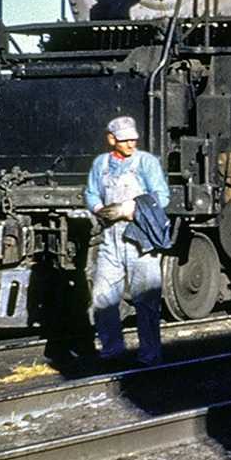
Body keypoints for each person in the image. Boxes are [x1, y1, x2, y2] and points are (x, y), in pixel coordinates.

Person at [84, 115, 171, 367]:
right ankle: (112, 350)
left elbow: (161, 197)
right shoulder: (101, 164)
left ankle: (150, 355)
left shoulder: (146, 163)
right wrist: (99, 207)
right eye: (124, 140)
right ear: (111, 140)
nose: (131, 144)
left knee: (145, 298)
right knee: (103, 296)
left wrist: (129, 208)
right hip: (110, 239)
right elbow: (91, 193)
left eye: (133, 139)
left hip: (141, 237)